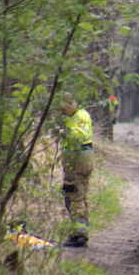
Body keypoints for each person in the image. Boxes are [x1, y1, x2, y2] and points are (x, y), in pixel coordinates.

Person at [59, 99, 94, 248]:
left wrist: (62, 133)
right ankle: (82, 232)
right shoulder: (76, 116)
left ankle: (78, 235)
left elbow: (78, 137)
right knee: (82, 195)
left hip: (77, 161)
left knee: (74, 195)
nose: (61, 110)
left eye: (63, 106)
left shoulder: (80, 117)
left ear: (71, 103)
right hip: (81, 161)